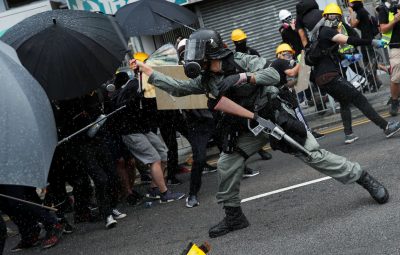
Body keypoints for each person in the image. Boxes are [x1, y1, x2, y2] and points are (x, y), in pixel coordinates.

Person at [132, 28, 390, 238]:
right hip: (245, 127)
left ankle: (363, 178)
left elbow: (272, 73)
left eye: (201, 57)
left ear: (214, 53)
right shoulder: (206, 79)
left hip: (273, 117)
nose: (196, 63)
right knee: (227, 165)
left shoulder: (242, 60)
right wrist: (148, 72)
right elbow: (178, 88)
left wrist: (245, 78)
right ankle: (234, 217)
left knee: (314, 155)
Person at [313, 3, 400, 144]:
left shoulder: (319, 34)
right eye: (337, 18)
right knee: (360, 99)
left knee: (344, 101)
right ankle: (386, 127)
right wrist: (371, 42)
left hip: (322, 78)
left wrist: (346, 58)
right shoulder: (327, 31)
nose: (337, 21)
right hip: (330, 76)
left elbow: (328, 52)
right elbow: (350, 40)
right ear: (332, 18)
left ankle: (349, 134)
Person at [110, 73, 185, 204]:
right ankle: (164, 193)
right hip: (131, 131)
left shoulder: (142, 85)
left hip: (142, 128)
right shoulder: (136, 86)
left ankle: (154, 187)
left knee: (162, 154)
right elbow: (131, 110)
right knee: (154, 158)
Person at [231, 28, 274, 171]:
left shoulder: (252, 53)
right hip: (242, 96)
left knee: (258, 121)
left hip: (255, 91)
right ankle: (249, 153)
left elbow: (261, 68)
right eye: (238, 42)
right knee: (247, 125)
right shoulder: (233, 58)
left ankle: (261, 148)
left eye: (242, 41)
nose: (241, 43)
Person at [348, 0, 382, 91]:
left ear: (356, 3)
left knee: (369, 62)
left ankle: (376, 82)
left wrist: (351, 13)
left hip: (366, 39)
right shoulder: (363, 10)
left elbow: (353, 25)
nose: (350, 5)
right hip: (367, 38)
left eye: (351, 3)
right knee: (370, 61)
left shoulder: (360, 11)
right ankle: (376, 81)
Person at [379, 0, 400, 115]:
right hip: (396, 47)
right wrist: (395, 20)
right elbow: (383, 29)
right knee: (396, 77)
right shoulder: (384, 9)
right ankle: (395, 101)